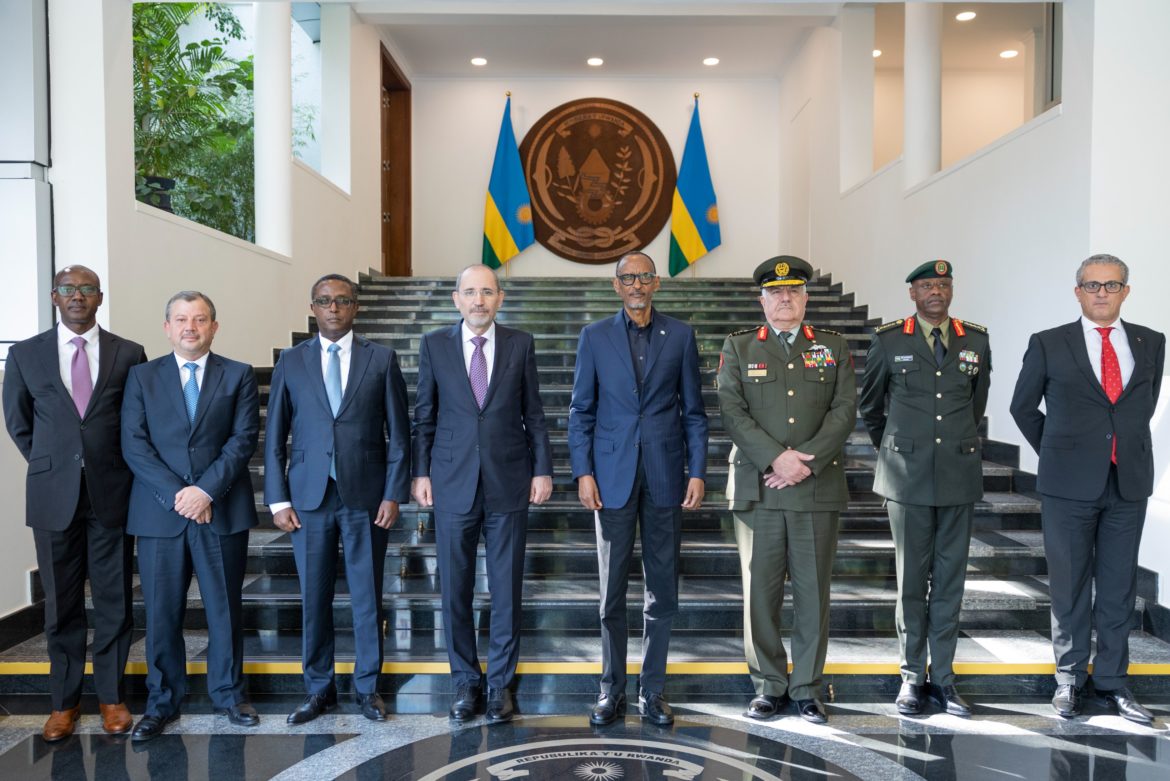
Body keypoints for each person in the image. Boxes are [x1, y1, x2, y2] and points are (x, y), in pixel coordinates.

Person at [1010, 254, 1165, 724]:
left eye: (1111, 285)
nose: (1102, 293)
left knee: (1119, 588)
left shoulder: (1152, 342)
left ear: (1125, 291)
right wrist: (1061, 453)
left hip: (1128, 482)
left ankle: (1114, 683)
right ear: (1077, 291)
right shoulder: (1048, 342)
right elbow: (1022, 408)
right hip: (1067, 485)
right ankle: (1070, 679)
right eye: (1092, 285)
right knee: (1070, 585)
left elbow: (1142, 405)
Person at [2, 265, 146, 742]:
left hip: (112, 493)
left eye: (86, 289)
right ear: (54, 297)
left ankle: (111, 698)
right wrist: (55, 464)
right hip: (52, 495)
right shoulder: (25, 354)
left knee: (114, 601)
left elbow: (135, 421)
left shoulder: (129, 353)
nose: (77, 296)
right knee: (61, 606)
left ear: (100, 297)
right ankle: (63, 704)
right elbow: (19, 423)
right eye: (68, 289)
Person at [568, 252, 708, 726]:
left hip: (666, 475)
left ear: (656, 283)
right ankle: (611, 690)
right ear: (616, 285)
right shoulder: (594, 336)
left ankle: (653, 691)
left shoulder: (681, 336)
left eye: (644, 277)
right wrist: (583, 473)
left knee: (661, 591)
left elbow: (694, 412)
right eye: (628, 278)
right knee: (611, 593)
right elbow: (580, 412)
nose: (636, 285)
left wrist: (697, 471)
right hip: (611, 478)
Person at [264, 274, 410, 724]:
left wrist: (394, 493)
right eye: (325, 301)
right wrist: (277, 500)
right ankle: (318, 688)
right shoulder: (291, 361)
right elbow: (274, 436)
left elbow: (399, 435)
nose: (333, 308)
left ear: (355, 307)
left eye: (342, 300)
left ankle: (367, 688)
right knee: (314, 597)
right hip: (308, 498)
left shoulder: (381, 359)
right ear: (313, 307)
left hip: (366, 497)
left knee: (367, 596)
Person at [716, 255, 856, 724]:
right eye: (776, 293)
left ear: (806, 298)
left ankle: (807, 688)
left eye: (793, 291)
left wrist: (803, 462)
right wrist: (776, 458)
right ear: (762, 301)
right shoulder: (739, 347)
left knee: (813, 594)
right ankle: (768, 685)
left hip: (815, 487)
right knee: (760, 593)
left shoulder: (833, 345)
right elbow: (731, 410)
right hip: (759, 487)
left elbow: (844, 410)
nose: (785, 299)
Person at [412, 264, 552, 724]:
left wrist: (542, 469)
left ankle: (500, 686)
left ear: (500, 298)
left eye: (487, 292)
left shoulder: (521, 344)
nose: (478, 300)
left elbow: (534, 413)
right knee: (455, 588)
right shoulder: (434, 344)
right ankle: (465, 682)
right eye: (470, 292)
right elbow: (425, 416)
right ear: (456, 299)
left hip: (509, 480)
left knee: (506, 589)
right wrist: (420, 472)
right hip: (451, 482)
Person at [120, 291, 260, 740]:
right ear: (167, 328)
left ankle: (229, 695)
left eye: (200, 319)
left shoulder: (238, 374)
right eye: (181, 319)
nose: (190, 327)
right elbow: (134, 444)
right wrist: (179, 495)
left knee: (224, 609)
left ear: (214, 327)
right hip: (161, 513)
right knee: (162, 613)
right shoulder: (141, 376)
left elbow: (243, 439)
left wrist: (205, 491)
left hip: (220, 510)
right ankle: (162, 702)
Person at [858, 260, 991, 717]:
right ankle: (912, 677)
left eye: (943, 284)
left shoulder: (976, 340)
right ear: (912, 293)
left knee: (951, 583)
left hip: (958, 475)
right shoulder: (889, 340)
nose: (937, 291)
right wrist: (899, 449)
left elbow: (975, 405)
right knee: (912, 583)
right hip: (906, 478)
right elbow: (871, 407)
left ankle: (945, 679)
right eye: (927, 285)